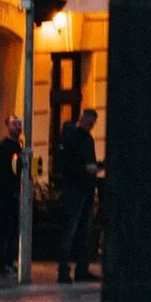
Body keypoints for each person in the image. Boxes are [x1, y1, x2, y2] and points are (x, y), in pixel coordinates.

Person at [56, 107, 98, 285]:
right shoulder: (72, 138)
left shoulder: (87, 138)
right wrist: (85, 169)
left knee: (83, 232)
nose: (91, 126)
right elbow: (65, 165)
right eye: (90, 122)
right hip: (74, 189)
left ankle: (81, 269)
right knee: (70, 231)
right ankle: (64, 271)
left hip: (85, 189)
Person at [0, 116, 23, 280]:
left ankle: (10, 261)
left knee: (13, 229)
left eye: (19, 124)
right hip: (6, 192)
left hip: (16, 192)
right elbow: (3, 172)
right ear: (7, 127)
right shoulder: (3, 148)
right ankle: (3, 264)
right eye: (14, 124)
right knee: (6, 227)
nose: (18, 127)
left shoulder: (19, 146)